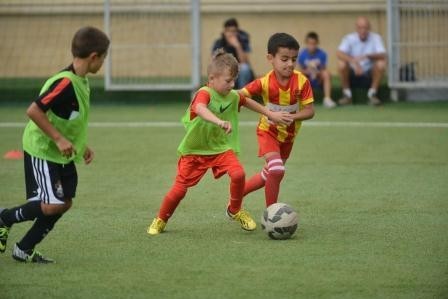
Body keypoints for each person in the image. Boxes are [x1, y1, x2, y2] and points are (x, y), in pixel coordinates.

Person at [147, 49, 292, 235]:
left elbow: (247, 101)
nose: (232, 85)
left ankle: (235, 210)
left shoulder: (232, 95)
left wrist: (271, 114)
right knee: (179, 190)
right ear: (212, 78)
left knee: (238, 174)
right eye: (228, 81)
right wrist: (218, 121)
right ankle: (161, 219)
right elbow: (199, 108)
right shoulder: (204, 92)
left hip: (220, 148)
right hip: (195, 150)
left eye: (234, 81)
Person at [0, 27, 109, 263]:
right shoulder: (64, 83)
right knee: (51, 205)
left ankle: (24, 249)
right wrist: (59, 140)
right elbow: (34, 111)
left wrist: (82, 144)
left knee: (64, 202)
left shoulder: (81, 80)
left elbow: (68, 118)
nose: (103, 63)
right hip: (43, 149)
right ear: (94, 57)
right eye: (103, 58)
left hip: (62, 153)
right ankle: (5, 218)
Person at [240, 33, 315, 207]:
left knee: (272, 173)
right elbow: (240, 97)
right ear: (270, 58)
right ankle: (272, 213)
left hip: (288, 137)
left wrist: (292, 117)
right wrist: (269, 113)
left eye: (294, 59)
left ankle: (238, 194)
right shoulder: (264, 83)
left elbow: (310, 111)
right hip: (268, 131)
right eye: (284, 59)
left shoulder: (302, 82)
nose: (290, 64)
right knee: (276, 169)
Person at [337, 16, 387, 106]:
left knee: (381, 63)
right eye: (360, 28)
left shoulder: (376, 38)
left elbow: (383, 55)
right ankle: (347, 95)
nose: (363, 30)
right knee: (341, 64)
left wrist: (367, 56)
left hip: (369, 71)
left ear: (369, 28)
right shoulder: (349, 38)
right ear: (356, 28)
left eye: (365, 28)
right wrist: (353, 62)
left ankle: (372, 94)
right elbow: (339, 53)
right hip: (352, 71)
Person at [212, 18, 254, 89]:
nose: (231, 34)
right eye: (229, 31)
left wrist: (237, 46)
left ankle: (241, 95)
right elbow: (213, 62)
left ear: (237, 32)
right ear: (224, 32)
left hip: (239, 74)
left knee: (245, 68)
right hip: (224, 73)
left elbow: (244, 62)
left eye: (234, 31)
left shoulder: (242, 41)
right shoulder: (219, 43)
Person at [298, 32, 336, 108]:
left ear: (317, 43)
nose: (312, 46)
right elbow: (301, 69)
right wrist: (309, 72)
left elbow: (323, 69)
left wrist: (316, 72)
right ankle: (301, 100)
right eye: (310, 43)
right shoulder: (302, 54)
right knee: (299, 74)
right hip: (308, 80)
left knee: (326, 73)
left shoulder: (322, 54)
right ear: (306, 43)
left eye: (314, 44)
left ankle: (327, 99)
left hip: (318, 79)